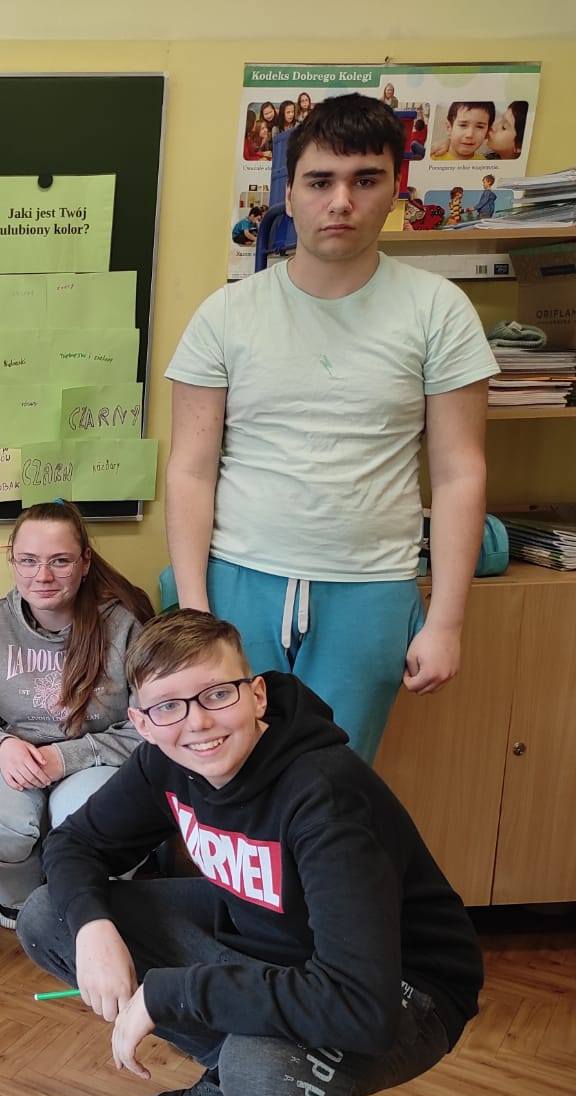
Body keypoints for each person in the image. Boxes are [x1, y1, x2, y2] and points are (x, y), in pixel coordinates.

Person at [17, 609, 483, 1096]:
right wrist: (93, 928)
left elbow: (359, 1005)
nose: (197, 722)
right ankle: (226, 1068)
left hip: (400, 989)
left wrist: (172, 993)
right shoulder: (167, 759)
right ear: (142, 723)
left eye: (218, 694)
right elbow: (73, 844)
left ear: (257, 694)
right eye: (169, 706)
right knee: (49, 917)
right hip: (272, 943)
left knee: (262, 1079)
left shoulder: (323, 796)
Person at [164, 93, 495, 761]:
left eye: (364, 180)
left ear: (395, 190)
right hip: (239, 579)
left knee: (334, 783)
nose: (340, 201)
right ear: (288, 193)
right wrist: (196, 611)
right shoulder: (226, 315)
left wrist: (447, 621)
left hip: (369, 588)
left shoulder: (439, 311)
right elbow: (190, 470)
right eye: (320, 181)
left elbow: (460, 471)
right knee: (224, 775)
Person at [0, 502, 154, 928]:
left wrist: (67, 757)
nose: (42, 576)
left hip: (95, 762)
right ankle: (18, 899)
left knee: (105, 825)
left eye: (60, 561)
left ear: (85, 562)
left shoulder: (124, 625)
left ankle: (83, 905)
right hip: (12, 763)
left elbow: (150, 726)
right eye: (28, 561)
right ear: (12, 561)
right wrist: (1, 746)